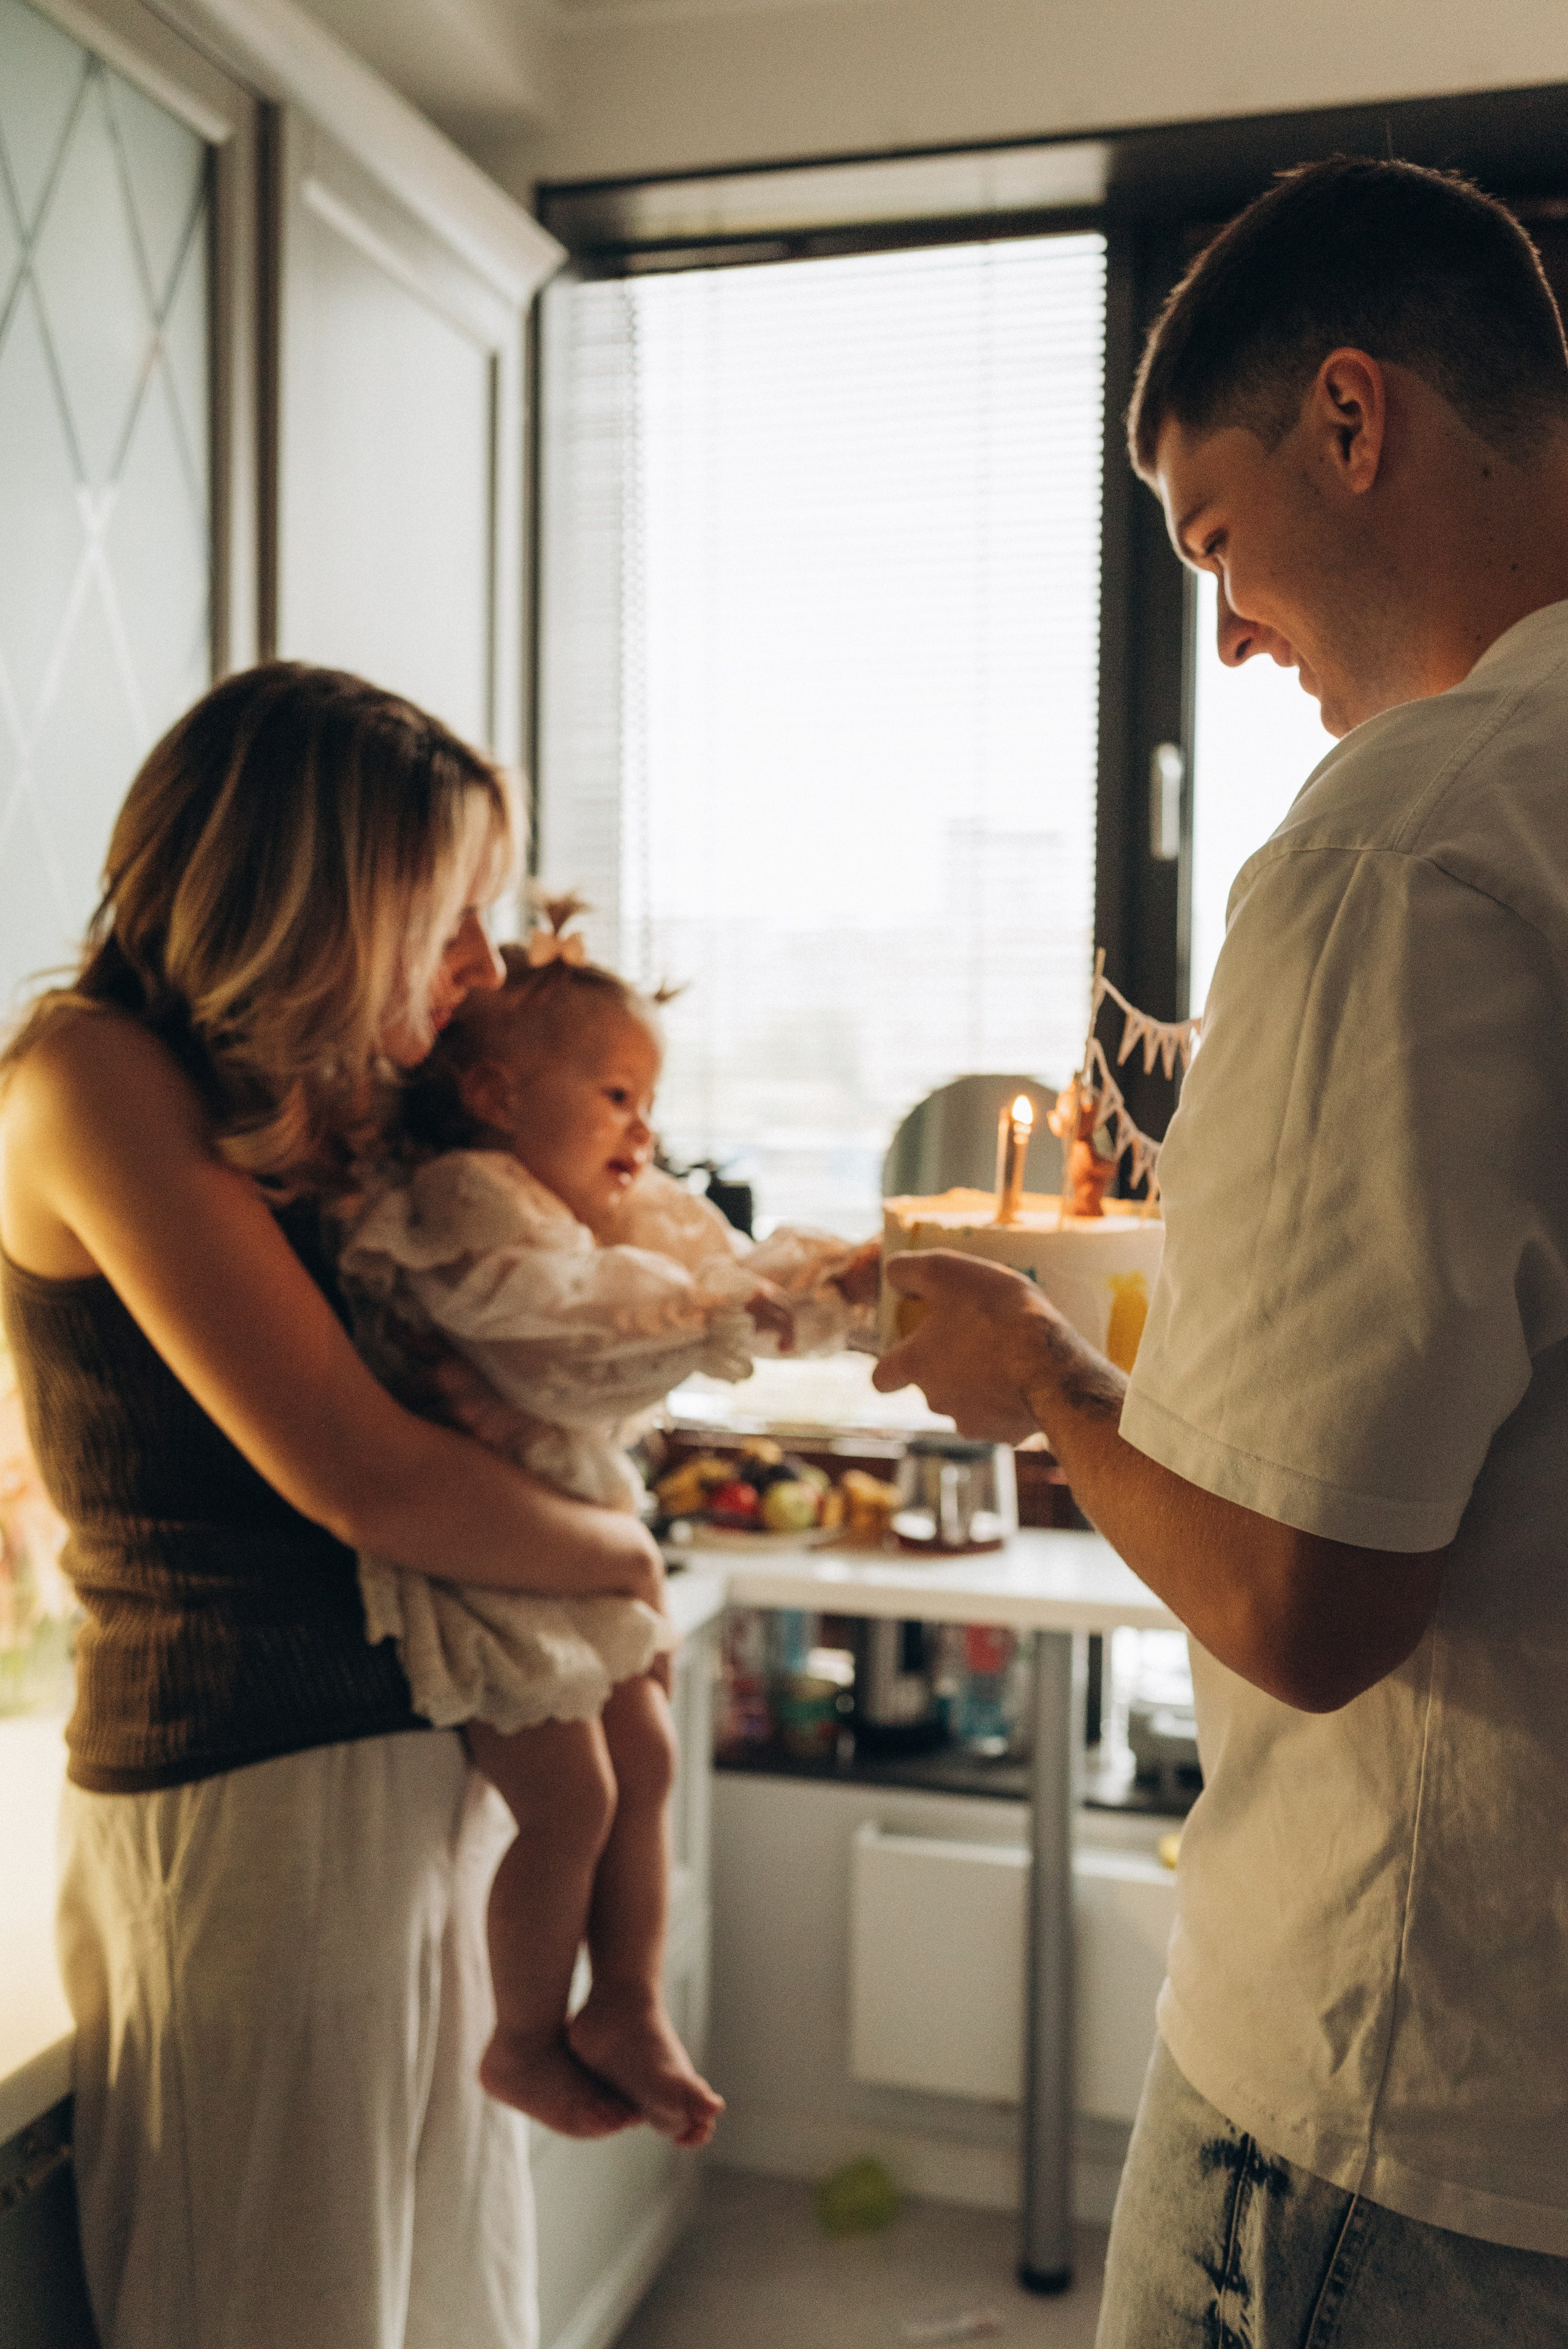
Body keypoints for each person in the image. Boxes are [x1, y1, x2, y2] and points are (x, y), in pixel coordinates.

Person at [873, 160, 1568, 2344]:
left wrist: (1047, 1392)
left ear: (1350, 420)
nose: (1232, 627)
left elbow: (1306, 1595)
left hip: (1399, 2087)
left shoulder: (1402, 844)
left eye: (1213, 539)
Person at [0, 664, 668, 2349]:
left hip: (381, 1769)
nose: (488, 962)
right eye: (452, 910)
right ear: (321, 901)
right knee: (288, 2308)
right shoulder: (88, 1077)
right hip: (247, 1794)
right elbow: (364, 1469)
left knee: (433, 2301)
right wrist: (626, 1556)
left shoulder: (284, 1095)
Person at [336, 913, 876, 2149]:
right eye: (617, 1093)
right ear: (493, 1093)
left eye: (649, 1100)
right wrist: (730, 1312)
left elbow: (713, 1272)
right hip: (492, 1547)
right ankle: (522, 2034)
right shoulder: (471, 1200)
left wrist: (825, 1290)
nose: (642, 1128)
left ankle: (625, 2001)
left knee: (649, 1755)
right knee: (572, 1796)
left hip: (571, 1526)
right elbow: (576, 1343)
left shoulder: (594, 1204)